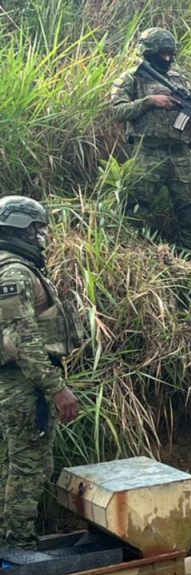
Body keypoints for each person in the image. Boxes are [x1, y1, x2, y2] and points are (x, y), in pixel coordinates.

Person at [0, 196, 81, 550]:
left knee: (12, 464)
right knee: (29, 467)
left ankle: (9, 543)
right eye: (37, 229)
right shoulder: (14, 272)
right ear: (21, 228)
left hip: (13, 381)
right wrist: (57, 389)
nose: (41, 236)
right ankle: (18, 546)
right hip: (22, 384)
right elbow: (24, 340)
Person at [110, 27, 191, 254]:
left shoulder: (179, 79)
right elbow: (117, 112)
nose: (169, 59)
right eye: (163, 54)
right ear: (149, 52)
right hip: (147, 152)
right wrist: (149, 101)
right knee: (135, 207)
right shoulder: (131, 78)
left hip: (180, 153)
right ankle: (131, 255)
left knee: (190, 209)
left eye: (171, 54)